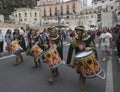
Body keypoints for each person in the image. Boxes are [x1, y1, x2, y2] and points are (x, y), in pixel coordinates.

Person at [67, 25, 97, 90]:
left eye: (79, 31)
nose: (77, 32)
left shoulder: (88, 38)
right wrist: (75, 42)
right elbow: (72, 46)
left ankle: (83, 82)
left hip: (86, 57)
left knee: (84, 70)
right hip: (77, 56)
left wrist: (90, 48)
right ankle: (80, 74)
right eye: (76, 30)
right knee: (78, 70)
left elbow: (93, 47)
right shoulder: (75, 38)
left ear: (82, 31)